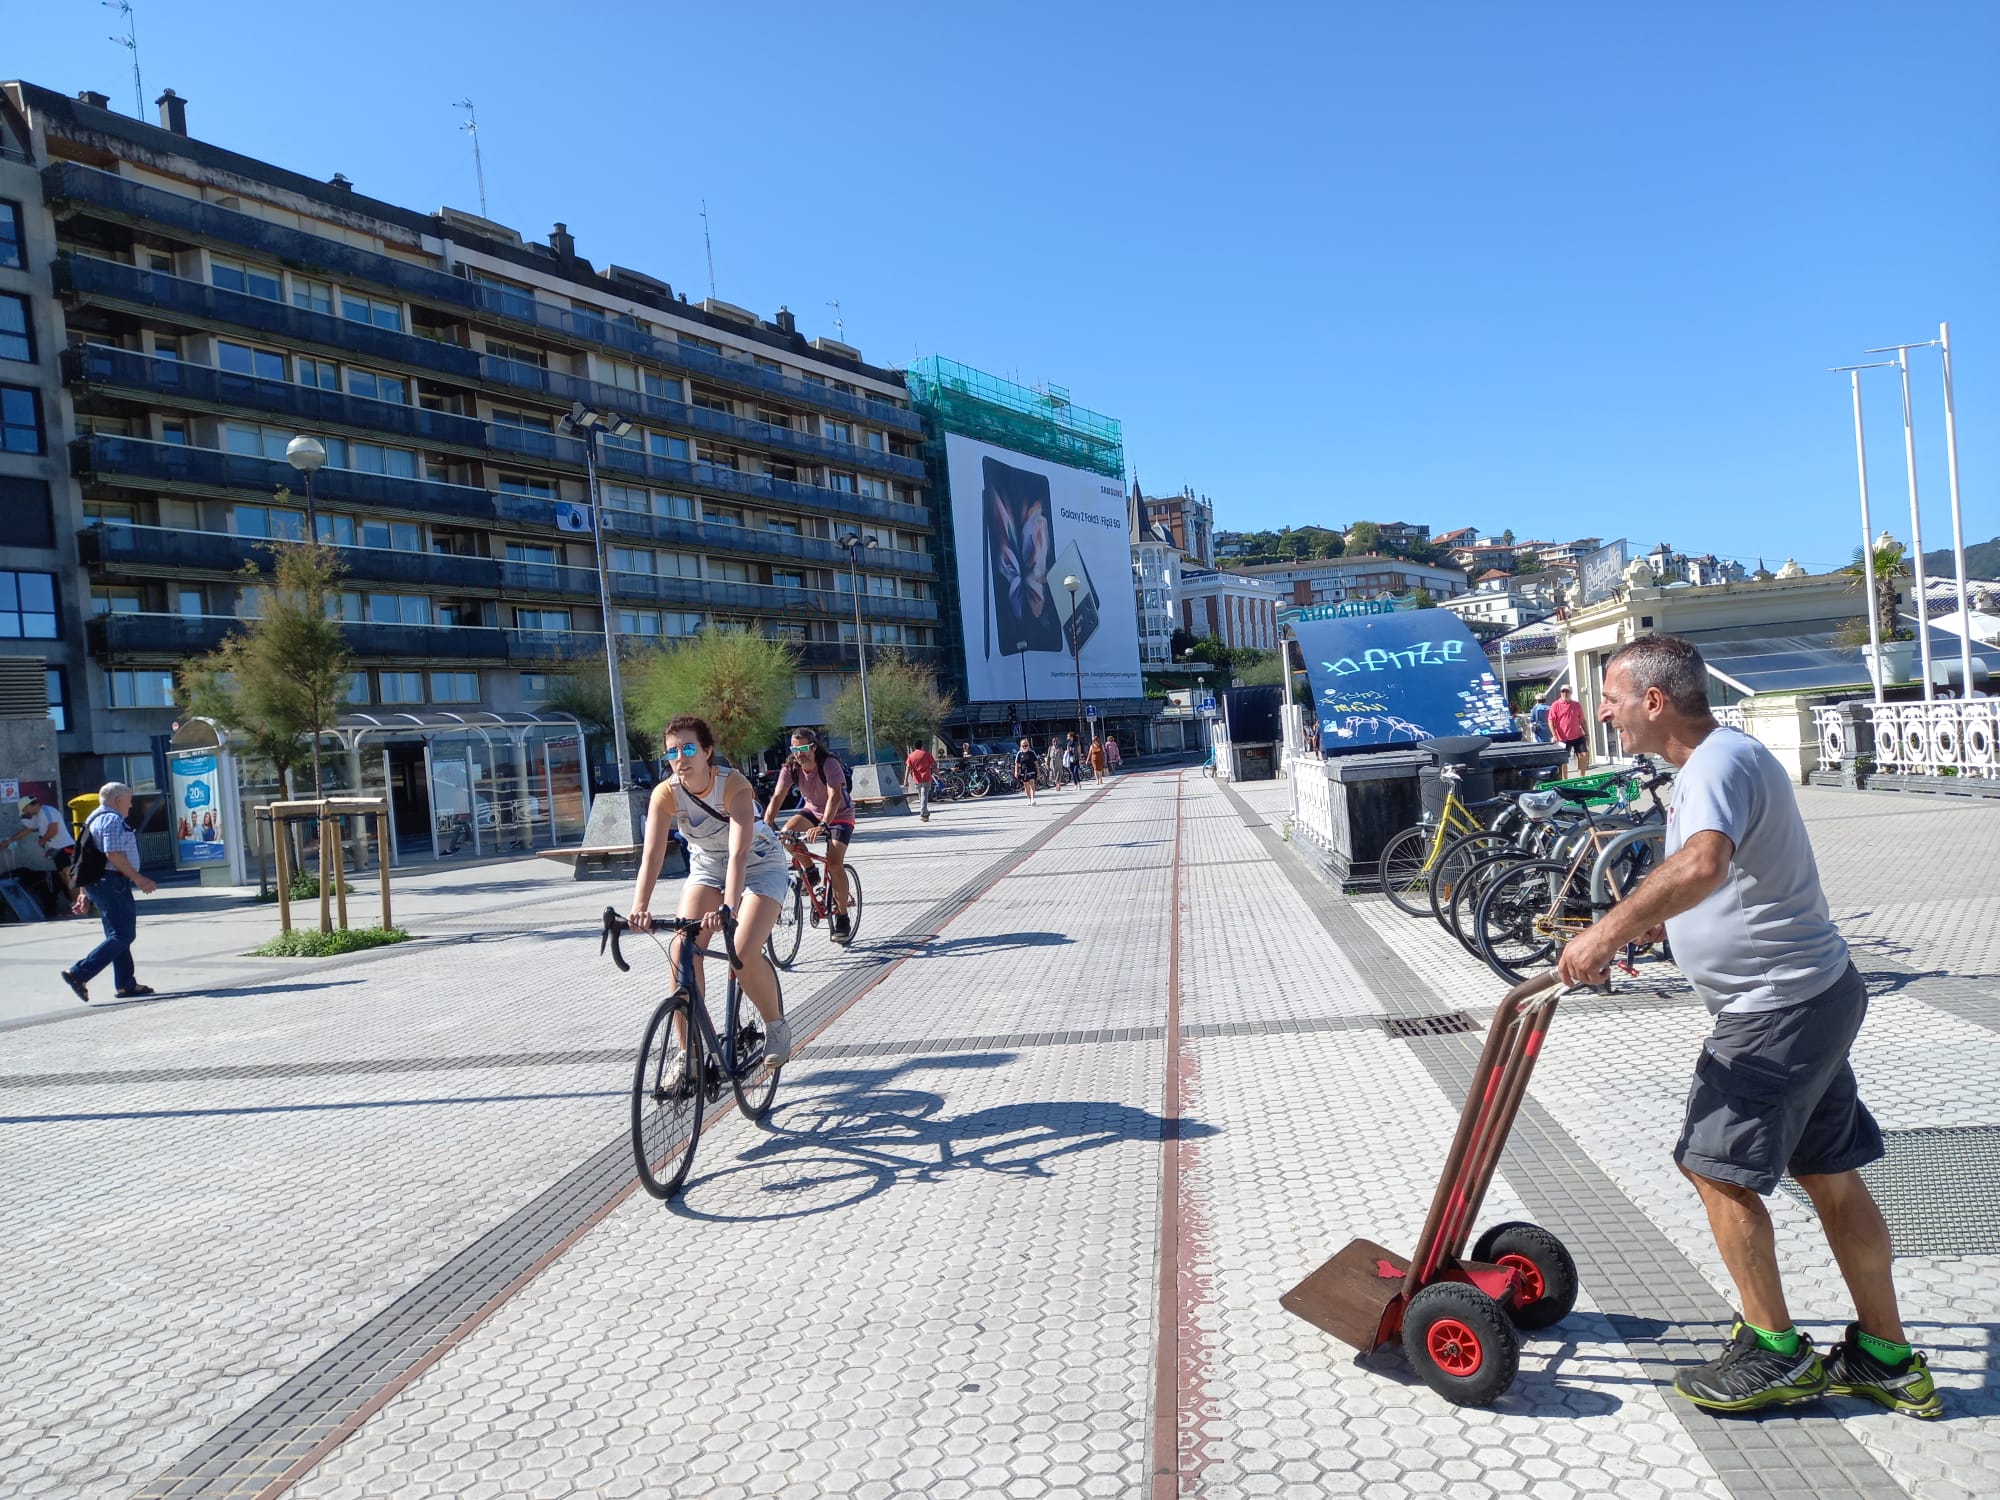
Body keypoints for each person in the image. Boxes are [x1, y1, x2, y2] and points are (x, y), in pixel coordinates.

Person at [1557, 636, 1939, 1419]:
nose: (1604, 712)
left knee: (1716, 1168)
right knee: (1828, 1176)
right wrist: (1667, 927)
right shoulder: (1726, 757)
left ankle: (1773, 1353)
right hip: (1811, 993)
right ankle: (1887, 1357)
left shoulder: (1715, 765)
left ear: (1654, 702)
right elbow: (1717, 879)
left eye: (1613, 697)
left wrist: (1605, 933)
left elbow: (1702, 865)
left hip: (1777, 1008)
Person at [629, 716, 790, 1072]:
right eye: (672, 751)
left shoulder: (734, 786)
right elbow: (653, 855)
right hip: (707, 867)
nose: (680, 758)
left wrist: (729, 906)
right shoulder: (666, 793)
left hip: (760, 865)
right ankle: (688, 1056)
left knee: (744, 951)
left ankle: (776, 1025)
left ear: (707, 751)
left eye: (688, 749)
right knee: (682, 948)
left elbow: (739, 854)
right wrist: (640, 906)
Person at [61, 783, 157, 1003]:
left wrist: (84, 892)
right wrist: (138, 878)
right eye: (129, 799)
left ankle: (125, 984)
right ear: (118, 800)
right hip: (111, 883)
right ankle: (79, 973)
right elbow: (112, 854)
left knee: (117, 935)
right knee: (123, 935)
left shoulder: (93, 819)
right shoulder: (112, 820)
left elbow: (88, 858)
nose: (132, 804)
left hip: (101, 883)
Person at [764, 729, 858, 944]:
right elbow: (778, 796)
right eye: (795, 749)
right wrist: (767, 823)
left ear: (814, 747)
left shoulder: (829, 763)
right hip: (812, 811)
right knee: (786, 835)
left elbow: (835, 796)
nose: (800, 754)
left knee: (834, 864)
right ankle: (810, 869)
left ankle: (842, 916)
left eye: (804, 748)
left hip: (840, 814)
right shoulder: (791, 768)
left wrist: (824, 824)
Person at [12, 794, 77, 910]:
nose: (27, 813)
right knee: (66, 879)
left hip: (65, 848)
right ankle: (76, 904)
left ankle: (80, 905)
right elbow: (27, 829)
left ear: (29, 806)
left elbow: (53, 828)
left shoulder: (47, 810)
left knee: (70, 878)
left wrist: (43, 840)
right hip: (57, 851)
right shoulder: (37, 816)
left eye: (26, 810)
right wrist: (10, 841)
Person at [1547, 684, 1589, 774]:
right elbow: (1551, 721)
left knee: (1584, 755)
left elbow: (1582, 720)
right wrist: (1554, 735)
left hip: (1577, 735)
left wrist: (1587, 734)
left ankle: (1581, 777)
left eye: (1567, 692)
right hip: (1562, 738)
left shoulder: (1576, 705)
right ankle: (1565, 781)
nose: (1564, 694)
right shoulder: (1556, 705)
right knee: (1563, 760)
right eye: (1563, 691)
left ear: (1571, 693)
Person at [905, 741, 937, 822]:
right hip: (926, 778)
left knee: (921, 796)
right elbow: (934, 766)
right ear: (922, 746)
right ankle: (923, 813)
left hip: (916, 779)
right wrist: (939, 775)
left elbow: (908, 768)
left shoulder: (911, 756)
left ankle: (925, 812)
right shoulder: (926, 754)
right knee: (924, 796)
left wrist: (905, 780)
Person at [1015, 737, 1041, 805]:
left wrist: (1038, 772)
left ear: (1028, 745)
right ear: (1021, 746)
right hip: (1023, 771)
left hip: (1031, 770)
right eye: (1023, 746)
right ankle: (1029, 799)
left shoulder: (1032, 752)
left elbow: (1036, 763)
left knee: (1032, 783)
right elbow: (1017, 763)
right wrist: (1016, 771)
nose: (1024, 747)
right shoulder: (1019, 753)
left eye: (1026, 745)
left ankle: (1033, 799)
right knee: (1026, 785)